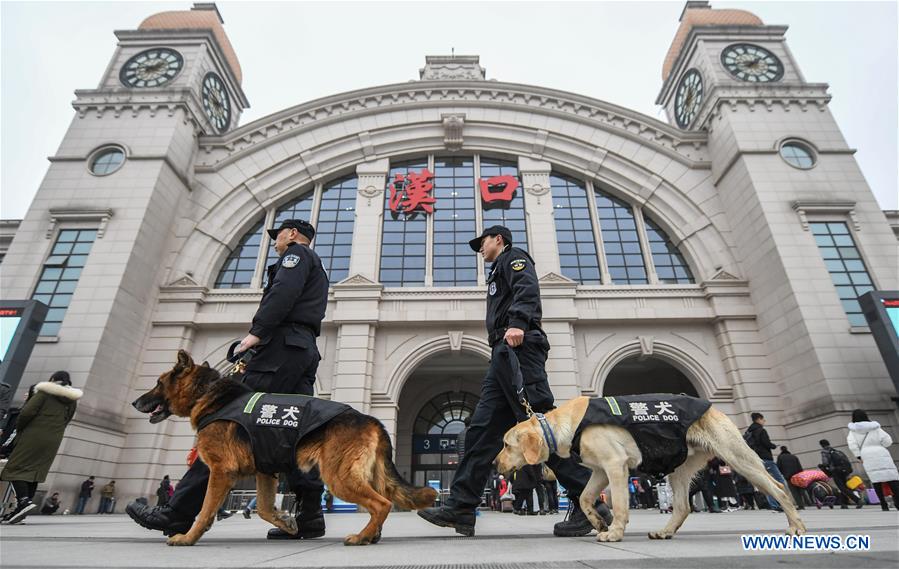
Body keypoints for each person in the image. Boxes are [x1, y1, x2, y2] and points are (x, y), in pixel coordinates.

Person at [126, 219, 331, 540]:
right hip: (302, 350)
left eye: (277, 236)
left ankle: (176, 514)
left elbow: (283, 293)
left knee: (224, 426)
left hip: (279, 348)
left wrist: (255, 335)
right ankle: (309, 516)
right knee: (296, 434)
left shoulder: (296, 256)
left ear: (292, 234)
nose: (274, 242)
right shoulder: (316, 265)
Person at [418, 225, 612, 537]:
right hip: (503, 356)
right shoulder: (496, 270)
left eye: (482, 242)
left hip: (518, 350)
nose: (480, 249)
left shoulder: (514, 258)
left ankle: (591, 504)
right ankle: (461, 506)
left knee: (543, 431)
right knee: (481, 431)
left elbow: (527, 289)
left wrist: (518, 322)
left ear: (498, 239)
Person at [0, 372, 81, 524]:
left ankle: (23, 501)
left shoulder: (44, 392)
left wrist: (22, 429)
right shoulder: (72, 399)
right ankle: (20, 510)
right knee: (35, 472)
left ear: (52, 379)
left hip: (33, 435)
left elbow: (26, 413)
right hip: (53, 439)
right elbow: (67, 419)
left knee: (14, 468)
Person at [847, 409, 899, 511]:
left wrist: (859, 456)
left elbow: (852, 445)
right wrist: (880, 446)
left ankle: (883, 505)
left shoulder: (853, 431)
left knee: (876, 480)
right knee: (892, 479)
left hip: (866, 455)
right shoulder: (876, 428)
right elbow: (888, 441)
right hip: (881, 452)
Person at [744, 412, 787, 511]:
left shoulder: (749, 431)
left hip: (756, 459)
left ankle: (774, 504)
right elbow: (766, 443)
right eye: (763, 419)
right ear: (759, 419)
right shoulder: (761, 430)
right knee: (779, 480)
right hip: (766, 458)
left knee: (767, 481)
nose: (764, 421)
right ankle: (779, 503)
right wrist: (774, 446)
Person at [818, 439, 862, 509]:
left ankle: (857, 500)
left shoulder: (825, 452)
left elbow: (825, 463)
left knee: (842, 488)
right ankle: (843, 504)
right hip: (843, 471)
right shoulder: (836, 451)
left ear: (822, 445)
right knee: (844, 487)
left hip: (836, 472)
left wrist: (822, 466)